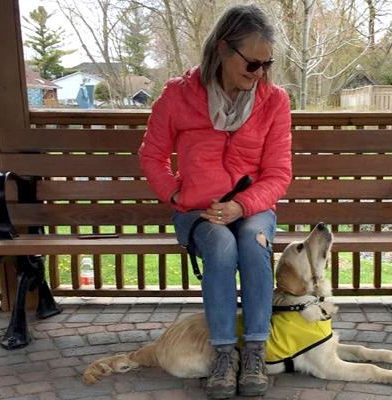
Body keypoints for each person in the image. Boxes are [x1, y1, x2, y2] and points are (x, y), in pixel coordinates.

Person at [137, 4, 292, 398]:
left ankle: (255, 349)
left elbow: (278, 174)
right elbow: (151, 155)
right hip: (198, 212)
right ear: (223, 48)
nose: (260, 73)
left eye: (266, 64)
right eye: (253, 63)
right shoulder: (178, 95)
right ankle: (225, 353)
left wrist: (241, 207)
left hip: (251, 208)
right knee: (221, 245)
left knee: (254, 242)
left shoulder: (274, 102)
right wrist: (175, 193)